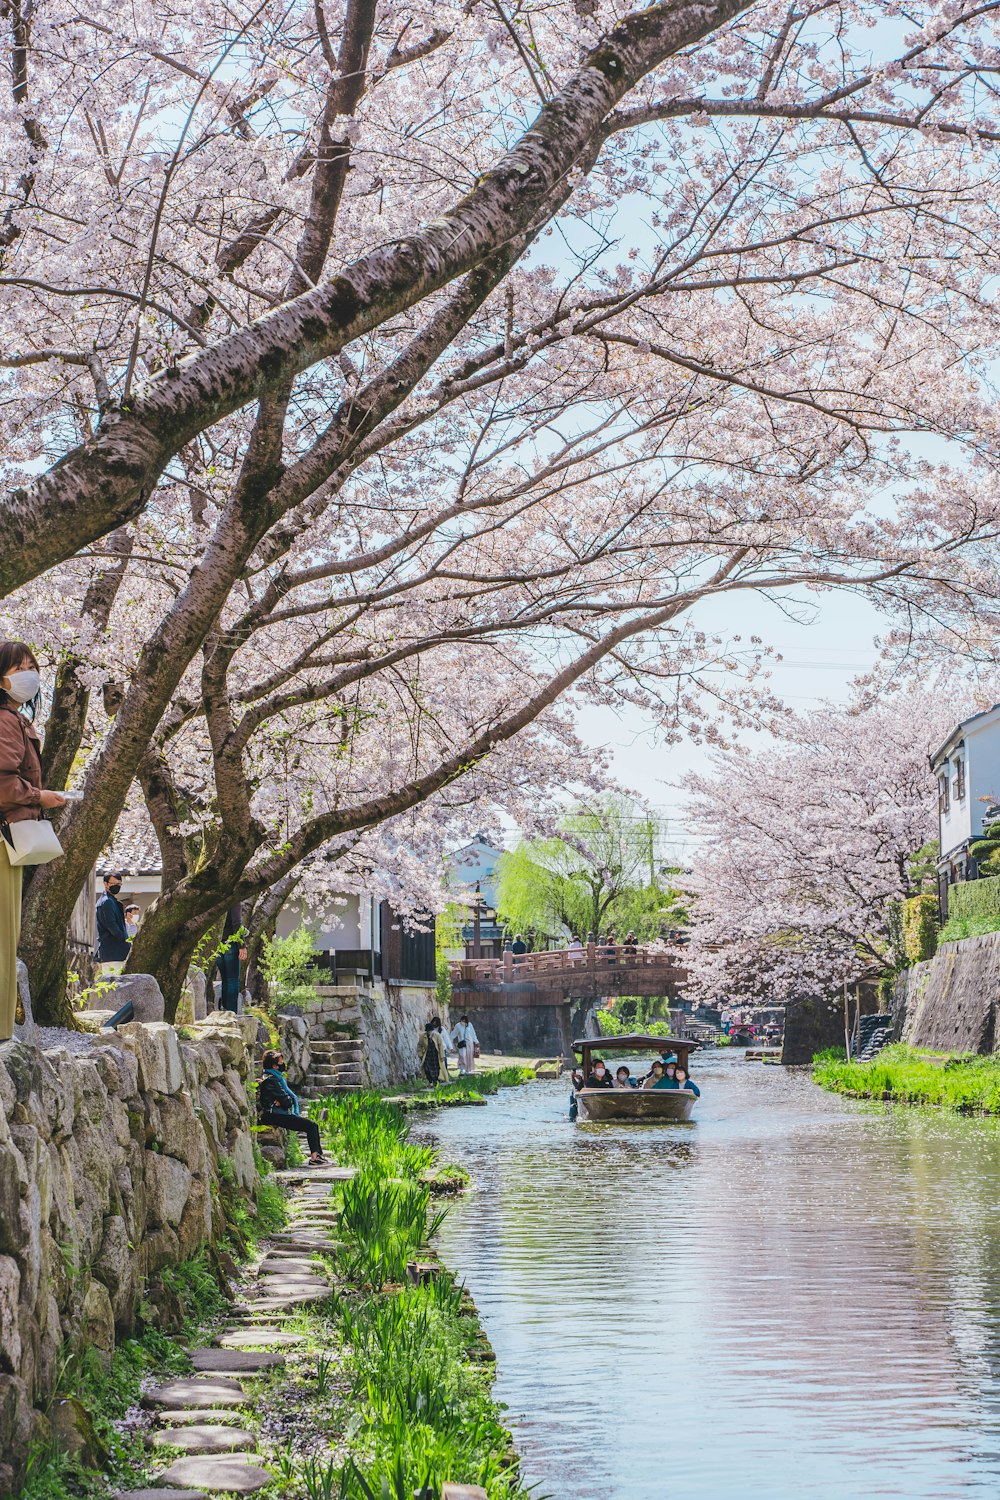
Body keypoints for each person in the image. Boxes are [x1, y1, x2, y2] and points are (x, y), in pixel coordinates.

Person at [0, 642, 67, 1042]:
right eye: (20, 667)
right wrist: (39, 796)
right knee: (5, 932)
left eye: (33, 666)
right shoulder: (6, 720)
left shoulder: (14, 719)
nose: (30, 673)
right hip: (4, 834)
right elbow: (4, 783)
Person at [258, 1049, 326, 1164]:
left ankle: (317, 1155)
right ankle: (315, 1157)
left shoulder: (271, 1077)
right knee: (312, 1126)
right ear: (275, 1066)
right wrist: (283, 1101)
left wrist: (282, 1101)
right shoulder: (272, 1080)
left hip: (275, 1113)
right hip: (274, 1115)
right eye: (280, 1062)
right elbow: (288, 1102)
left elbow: (284, 1099)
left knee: (311, 1125)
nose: (283, 1064)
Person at [209, 904, 246, 1013]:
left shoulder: (218, 899)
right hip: (231, 944)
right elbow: (237, 924)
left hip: (218, 944)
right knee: (232, 980)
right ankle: (231, 1012)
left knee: (225, 979)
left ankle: (225, 1009)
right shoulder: (235, 901)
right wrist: (242, 945)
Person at [96, 870, 130, 973]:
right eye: (114, 884)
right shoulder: (106, 902)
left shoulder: (111, 901)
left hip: (115, 952)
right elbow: (112, 926)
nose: (117, 886)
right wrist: (125, 940)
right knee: (115, 985)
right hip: (113, 952)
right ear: (105, 884)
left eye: (119, 884)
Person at [418, 1018, 447, 1084]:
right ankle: (430, 1081)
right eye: (428, 1031)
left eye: (430, 1030)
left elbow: (440, 1046)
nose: (429, 1032)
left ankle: (435, 1080)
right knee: (427, 1068)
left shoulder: (437, 1035)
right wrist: (420, 1054)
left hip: (435, 1054)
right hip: (427, 1054)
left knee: (436, 1068)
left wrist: (442, 1056)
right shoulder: (422, 1036)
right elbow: (419, 1046)